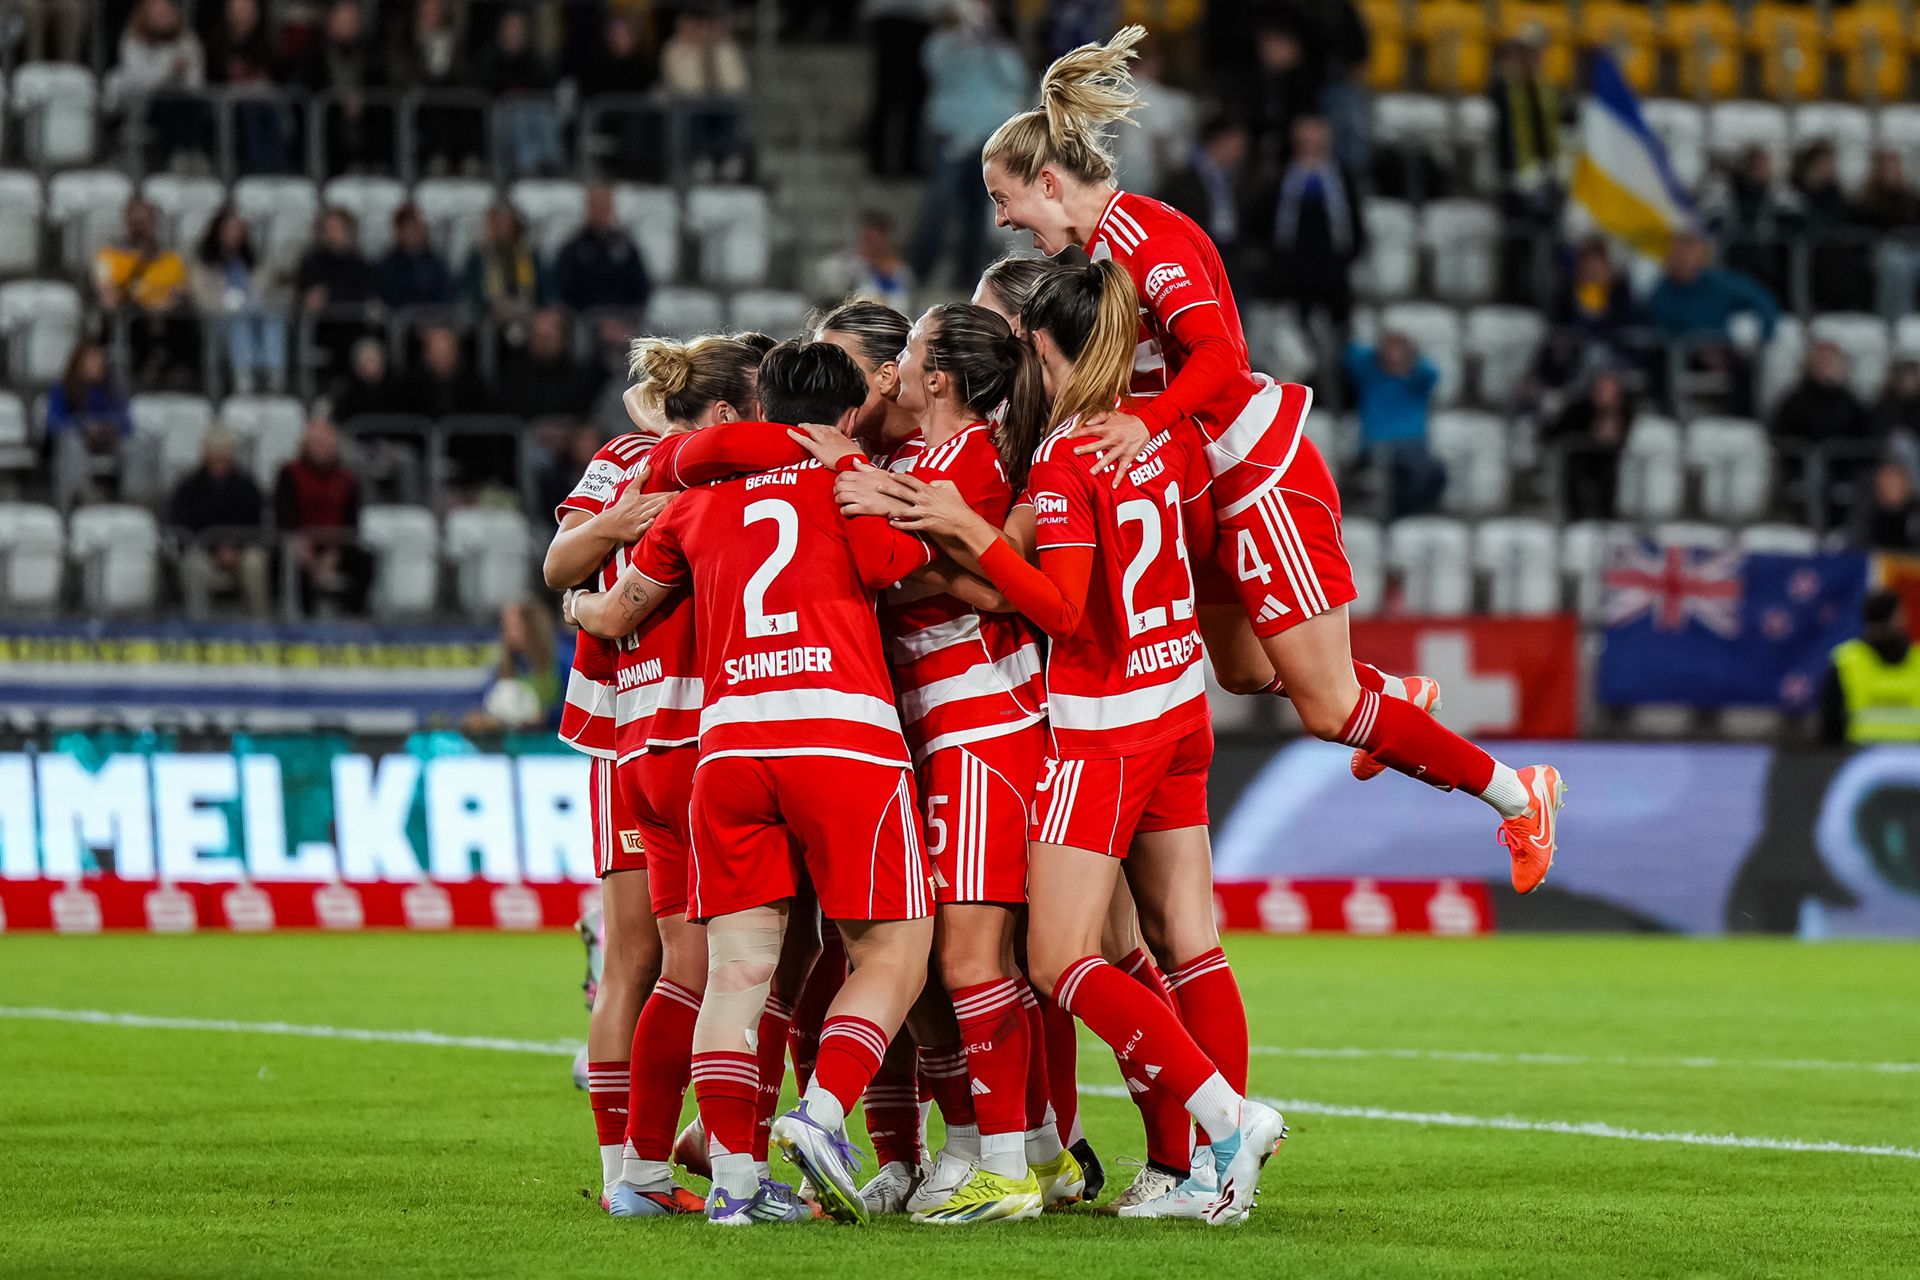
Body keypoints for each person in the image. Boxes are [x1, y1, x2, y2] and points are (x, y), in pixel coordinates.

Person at [979, 26, 1564, 891]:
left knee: (1329, 709)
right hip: (1209, 482)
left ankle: (1520, 796)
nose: (1002, 220)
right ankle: (1393, 701)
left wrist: (1151, 421)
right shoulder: (1105, 249)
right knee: (1248, 670)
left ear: (1051, 183)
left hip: (1258, 475)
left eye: (1004, 199)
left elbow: (1219, 359)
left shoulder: (1144, 237)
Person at [861, 259, 1284, 1224]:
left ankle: (1226, 1121)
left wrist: (972, 532)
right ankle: (1183, 1169)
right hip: (1181, 703)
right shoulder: (1161, 437)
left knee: (1057, 958)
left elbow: (1064, 611)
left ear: (1044, 346)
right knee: (1188, 940)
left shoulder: (1062, 456)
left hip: (1107, 721)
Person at [570, 341, 941, 1227]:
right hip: (841, 738)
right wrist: (861, 476)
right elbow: (894, 568)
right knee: (894, 950)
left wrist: (578, 609)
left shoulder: (695, 501)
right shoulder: (847, 482)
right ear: (847, 416)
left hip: (729, 749)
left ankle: (736, 1189)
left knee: (734, 972)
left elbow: (618, 607)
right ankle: (820, 1113)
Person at [790, 303, 1072, 1222]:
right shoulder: (921, 464)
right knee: (954, 956)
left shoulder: (979, 459)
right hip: (935, 726)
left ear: (939, 377)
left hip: (985, 721)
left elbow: (895, 565)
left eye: (908, 354)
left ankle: (1009, 1166)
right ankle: (1010, 1149)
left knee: (972, 952)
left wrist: (855, 488)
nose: (898, 369)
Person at [546, 333, 762, 1217]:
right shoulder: (687, 468)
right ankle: (673, 1163)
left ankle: (646, 1170)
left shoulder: (646, 453)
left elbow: (568, 583)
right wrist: (614, 524)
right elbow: (560, 563)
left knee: (666, 963)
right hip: (680, 733)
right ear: (725, 411)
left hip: (635, 734)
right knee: (683, 963)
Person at [909, 1, 1029, 289]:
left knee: (980, 209)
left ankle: (968, 278)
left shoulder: (1001, 47)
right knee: (940, 202)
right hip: (951, 133)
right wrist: (963, 40)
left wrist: (990, 42)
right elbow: (939, 70)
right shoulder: (942, 43)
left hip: (990, 139)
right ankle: (917, 273)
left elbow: (1015, 79)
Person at [1250, 115, 1363, 339]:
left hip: (1333, 266)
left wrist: (1348, 254)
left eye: (1317, 141)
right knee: (1295, 332)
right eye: (1305, 142)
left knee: (1338, 329)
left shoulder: (1340, 179)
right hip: (1292, 267)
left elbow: (1354, 222)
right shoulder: (1282, 178)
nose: (1311, 147)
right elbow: (1262, 219)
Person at [1644, 231, 1778, 416]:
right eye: (1678, 255)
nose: (1683, 260)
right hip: (1683, 351)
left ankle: (1745, 421)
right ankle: (1668, 418)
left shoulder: (1720, 283)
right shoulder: (1661, 293)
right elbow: (1660, 329)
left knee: (1745, 362)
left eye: (1688, 254)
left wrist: (1763, 334)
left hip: (1722, 347)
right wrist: (1699, 346)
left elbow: (1763, 301)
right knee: (1658, 359)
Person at [274, 414, 373, 616]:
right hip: (300, 544)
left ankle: (354, 617)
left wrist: (334, 554)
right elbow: (284, 516)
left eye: (325, 443)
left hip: (336, 545)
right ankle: (302, 623)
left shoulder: (347, 478)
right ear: (305, 445)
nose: (320, 448)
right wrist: (305, 553)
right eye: (315, 443)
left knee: (365, 559)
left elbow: (351, 522)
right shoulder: (289, 473)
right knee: (286, 562)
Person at [169, 426, 269, 619]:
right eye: (215, 456)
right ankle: (198, 625)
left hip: (240, 551)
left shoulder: (247, 486)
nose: (220, 462)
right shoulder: (188, 488)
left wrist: (235, 549)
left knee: (255, 562)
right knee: (194, 564)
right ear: (205, 455)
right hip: (203, 552)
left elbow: (256, 526)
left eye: (224, 457)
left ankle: (260, 625)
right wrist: (214, 551)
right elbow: (182, 528)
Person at [1772, 339, 1876, 523]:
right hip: (1803, 465)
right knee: (1816, 467)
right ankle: (1815, 526)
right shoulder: (1795, 400)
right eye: (1821, 362)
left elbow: (1867, 436)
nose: (1826, 367)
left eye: (1831, 362)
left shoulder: (1851, 401)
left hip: (1844, 466)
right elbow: (1779, 434)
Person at [1345, 331, 1446, 519]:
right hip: (1377, 442)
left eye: (1400, 350)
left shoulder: (1417, 378)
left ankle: (1409, 516)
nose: (1394, 355)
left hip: (1412, 443)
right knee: (1379, 471)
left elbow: (1433, 373)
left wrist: (1411, 362)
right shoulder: (1370, 373)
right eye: (1390, 349)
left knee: (1433, 472)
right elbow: (1351, 355)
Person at [94, 195, 193, 385]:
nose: (141, 227)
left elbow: (179, 292)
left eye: (147, 220)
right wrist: (144, 307)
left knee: (186, 322)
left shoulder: (170, 259)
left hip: (166, 318)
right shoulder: (108, 256)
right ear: (127, 221)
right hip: (129, 317)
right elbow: (108, 296)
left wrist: (161, 309)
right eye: (136, 221)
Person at [191, 205, 288, 395]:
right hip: (218, 321)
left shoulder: (252, 263)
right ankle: (245, 377)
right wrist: (226, 303)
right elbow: (202, 300)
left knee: (273, 316)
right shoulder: (203, 264)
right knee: (240, 320)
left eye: (240, 230)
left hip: (254, 316)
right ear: (218, 231)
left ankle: (274, 375)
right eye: (231, 229)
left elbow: (271, 285)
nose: (236, 235)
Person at [108, 0, 209, 170]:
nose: (164, 18)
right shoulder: (133, 41)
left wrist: (184, 74)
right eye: (158, 13)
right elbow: (138, 82)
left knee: (185, 102)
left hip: (183, 102)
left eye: (167, 13)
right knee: (169, 101)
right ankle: (178, 156)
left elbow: (196, 84)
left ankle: (190, 155)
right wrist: (169, 71)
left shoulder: (188, 41)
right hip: (144, 104)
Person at [660, 6, 752, 180]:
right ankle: (701, 157)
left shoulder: (727, 49)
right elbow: (682, 83)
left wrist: (713, 52)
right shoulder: (673, 49)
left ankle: (729, 157)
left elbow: (738, 81)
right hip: (690, 100)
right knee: (695, 109)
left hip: (721, 98)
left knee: (734, 108)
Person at [1820, 590, 1920, 743]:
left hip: (1866, 758)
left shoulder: (1845, 660)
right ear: (1896, 618)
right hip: (1867, 757)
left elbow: (1830, 723)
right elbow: (1831, 720)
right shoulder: (1846, 661)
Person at [45, 342, 135, 508]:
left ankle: (135, 499)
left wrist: (106, 425)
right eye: (91, 360)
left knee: (135, 444)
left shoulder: (112, 389)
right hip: (78, 440)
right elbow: (53, 423)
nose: (97, 364)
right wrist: (83, 425)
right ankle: (81, 497)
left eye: (99, 360)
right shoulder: (62, 389)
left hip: (109, 440)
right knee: (71, 443)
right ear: (78, 363)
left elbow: (126, 422)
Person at [295, 206, 379, 378]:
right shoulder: (312, 262)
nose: (334, 234)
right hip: (322, 328)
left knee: (370, 349)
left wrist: (331, 297)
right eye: (329, 229)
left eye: (338, 228)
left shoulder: (361, 264)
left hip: (355, 327)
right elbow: (305, 298)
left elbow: (363, 296)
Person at [205, 0, 288, 174]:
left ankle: (276, 170)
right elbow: (210, 80)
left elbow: (278, 77)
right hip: (228, 103)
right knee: (248, 109)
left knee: (261, 108)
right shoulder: (216, 42)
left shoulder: (267, 43)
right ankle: (258, 170)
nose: (241, 14)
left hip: (264, 102)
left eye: (246, 8)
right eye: (237, 8)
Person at [1160, 116, 1252, 267]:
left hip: (1232, 253)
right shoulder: (1184, 180)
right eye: (1237, 144)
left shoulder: (1239, 179)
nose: (1241, 152)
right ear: (1219, 141)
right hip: (1195, 252)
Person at [1546, 366, 1634, 522]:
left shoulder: (1625, 410)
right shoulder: (1578, 408)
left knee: (1614, 470)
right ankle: (1574, 517)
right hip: (1579, 461)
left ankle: (1609, 516)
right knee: (1573, 468)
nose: (1607, 394)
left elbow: (1621, 437)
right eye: (1603, 388)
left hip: (1608, 462)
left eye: (1612, 389)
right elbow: (1553, 433)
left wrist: (1610, 418)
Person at [483, 7, 563, 180]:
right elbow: (490, 90)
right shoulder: (492, 60)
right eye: (511, 28)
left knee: (542, 112)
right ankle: (528, 168)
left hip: (533, 111)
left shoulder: (534, 61)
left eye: (518, 29)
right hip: (505, 114)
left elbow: (544, 88)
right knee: (520, 113)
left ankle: (552, 164)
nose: (515, 33)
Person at [466, 599, 563, 732]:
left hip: (552, 745)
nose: (508, 633)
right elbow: (486, 702)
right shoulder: (503, 666)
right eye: (505, 627)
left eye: (514, 627)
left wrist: (547, 716)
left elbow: (579, 707)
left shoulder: (560, 661)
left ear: (532, 627)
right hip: (512, 746)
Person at [554, 185, 651, 317]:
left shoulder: (627, 247)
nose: (600, 211)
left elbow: (641, 288)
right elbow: (562, 289)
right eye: (595, 205)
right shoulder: (573, 248)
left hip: (623, 320)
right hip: (585, 321)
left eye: (604, 205)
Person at [462, 202, 547, 345]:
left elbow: (542, 287)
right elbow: (471, 289)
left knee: (545, 325)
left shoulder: (528, 254)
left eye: (504, 222)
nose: (500, 227)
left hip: (527, 308)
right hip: (491, 311)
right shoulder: (479, 256)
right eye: (495, 223)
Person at [498, 308, 601, 422]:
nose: (543, 343)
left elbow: (583, 416)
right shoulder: (516, 374)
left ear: (565, 339)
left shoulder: (580, 378)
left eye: (549, 337)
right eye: (538, 336)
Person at [1855, 150, 1920, 323]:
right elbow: (1869, 228)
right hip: (1884, 249)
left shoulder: (1911, 199)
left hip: (1912, 247)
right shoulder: (1868, 200)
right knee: (1897, 264)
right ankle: (1898, 320)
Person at [813, 211, 915, 314]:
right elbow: (828, 299)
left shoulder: (900, 271)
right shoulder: (838, 265)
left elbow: (904, 304)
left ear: (887, 239)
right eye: (868, 239)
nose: (872, 244)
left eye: (876, 239)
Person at [374, 204, 454, 313]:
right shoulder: (387, 266)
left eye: (419, 227)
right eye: (410, 228)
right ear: (399, 232)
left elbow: (445, 296)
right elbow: (389, 299)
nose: (415, 233)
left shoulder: (436, 264)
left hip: (433, 320)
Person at [1851, 461, 1920, 553]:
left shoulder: (1915, 513)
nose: (1893, 489)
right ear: (1878, 488)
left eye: (1897, 484)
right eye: (1888, 485)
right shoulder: (1867, 515)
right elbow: (1858, 546)